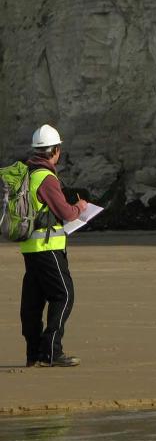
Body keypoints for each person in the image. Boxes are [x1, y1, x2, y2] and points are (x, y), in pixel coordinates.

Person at [20, 124, 88, 367]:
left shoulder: (27, 174)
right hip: (48, 248)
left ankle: (33, 354)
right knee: (64, 294)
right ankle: (51, 351)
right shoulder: (46, 178)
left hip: (30, 248)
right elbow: (67, 213)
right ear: (55, 150)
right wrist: (80, 208)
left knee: (33, 301)